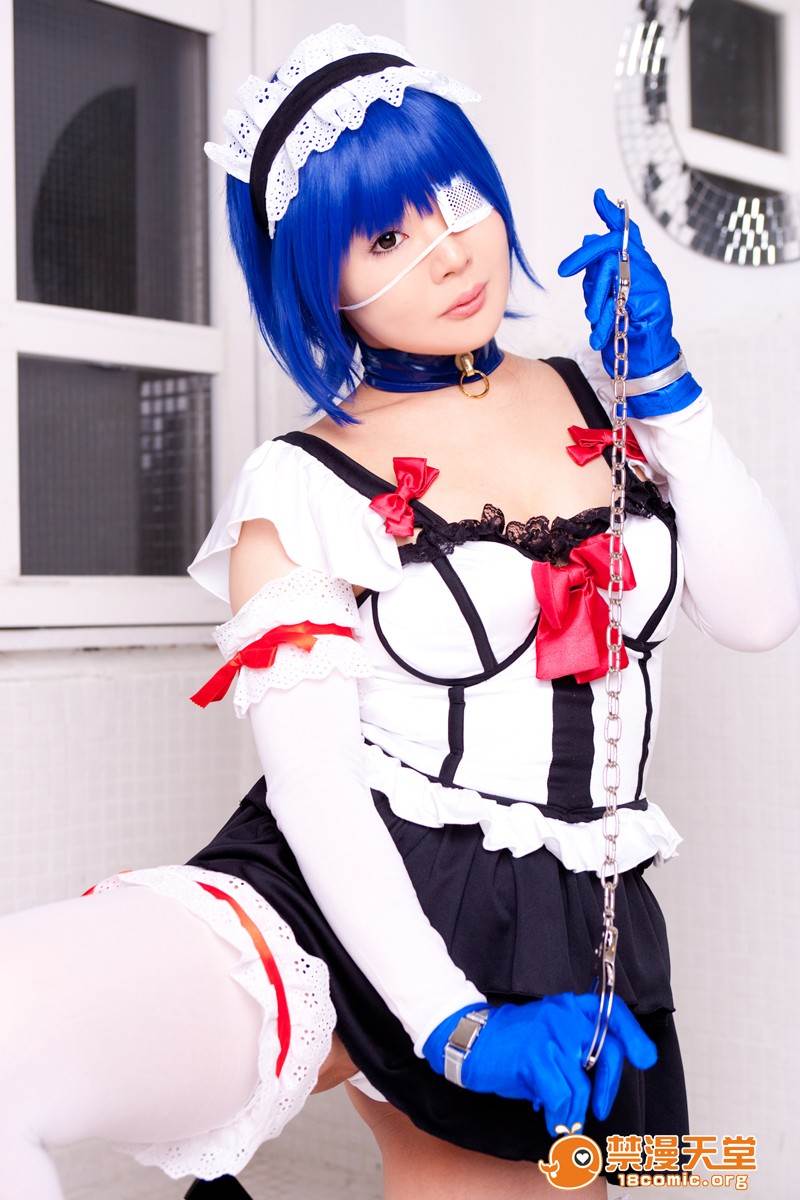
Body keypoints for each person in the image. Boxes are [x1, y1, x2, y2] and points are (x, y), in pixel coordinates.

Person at [2, 22, 798, 1200]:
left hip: (573, 918)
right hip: (342, 896)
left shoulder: (604, 393)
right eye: (384, 237)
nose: (449, 252)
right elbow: (317, 792)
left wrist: (666, 391)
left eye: (456, 199)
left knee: (619, 1180)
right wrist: (450, 1026)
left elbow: (758, 613)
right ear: (314, 279)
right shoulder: (298, 485)